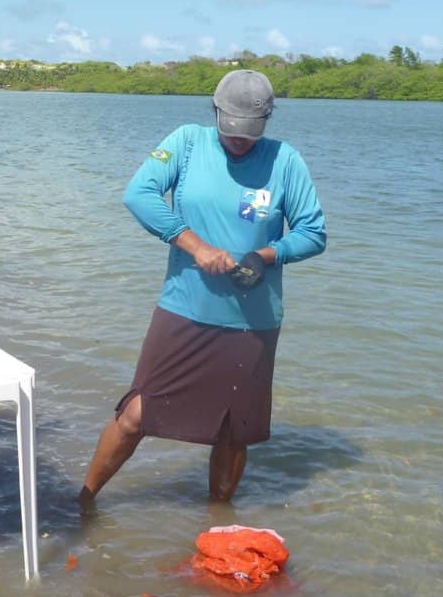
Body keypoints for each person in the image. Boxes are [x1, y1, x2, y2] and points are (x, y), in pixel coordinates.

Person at [78, 69, 326, 505]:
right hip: (185, 308)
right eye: (231, 129)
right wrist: (194, 245)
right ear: (215, 111)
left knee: (233, 431)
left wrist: (265, 256)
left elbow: (313, 232)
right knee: (136, 414)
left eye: (250, 133)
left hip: (253, 320)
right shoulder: (186, 142)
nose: (239, 140)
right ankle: (82, 502)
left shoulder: (285, 160)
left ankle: (216, 521)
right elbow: (140, 194)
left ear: (267, 120)